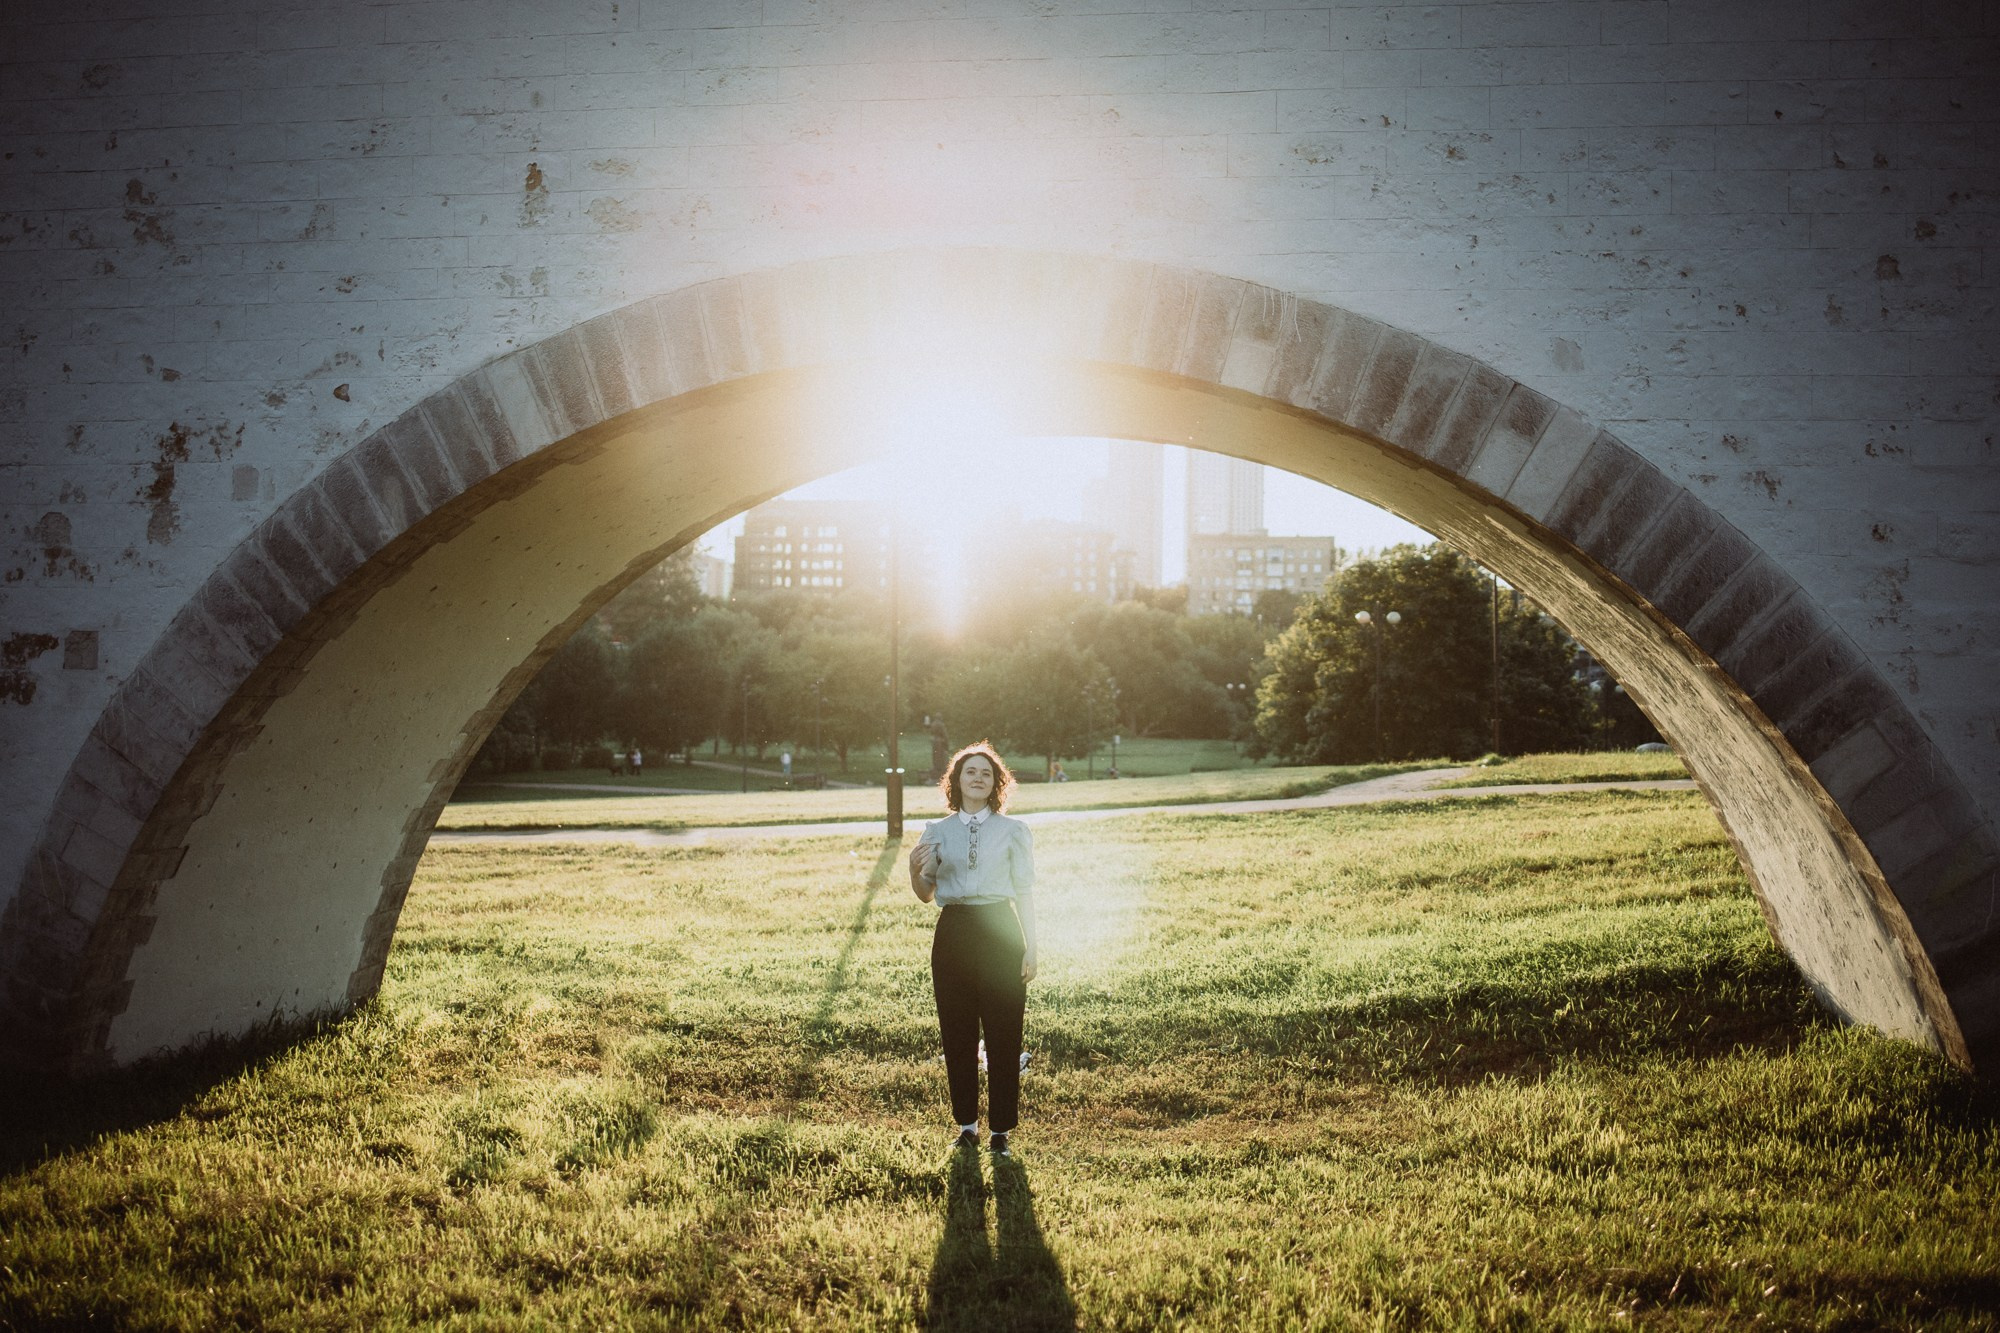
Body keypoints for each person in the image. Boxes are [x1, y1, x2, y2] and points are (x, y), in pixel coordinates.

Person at [909, 742, 1037, 1158]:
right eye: (969, 772)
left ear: (996, 782)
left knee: (1004, 1033)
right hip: (955, 932)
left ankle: (1001, 1130)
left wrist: (1031, 946)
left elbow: (1025, 892)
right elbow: (926, 894)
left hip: (1001, 928)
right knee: (957, 1033)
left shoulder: (1014, 830)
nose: (978, 777)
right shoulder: (936, 832)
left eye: (986, 772)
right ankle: (967, 1126)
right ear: (957, 781)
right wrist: (914, 871)